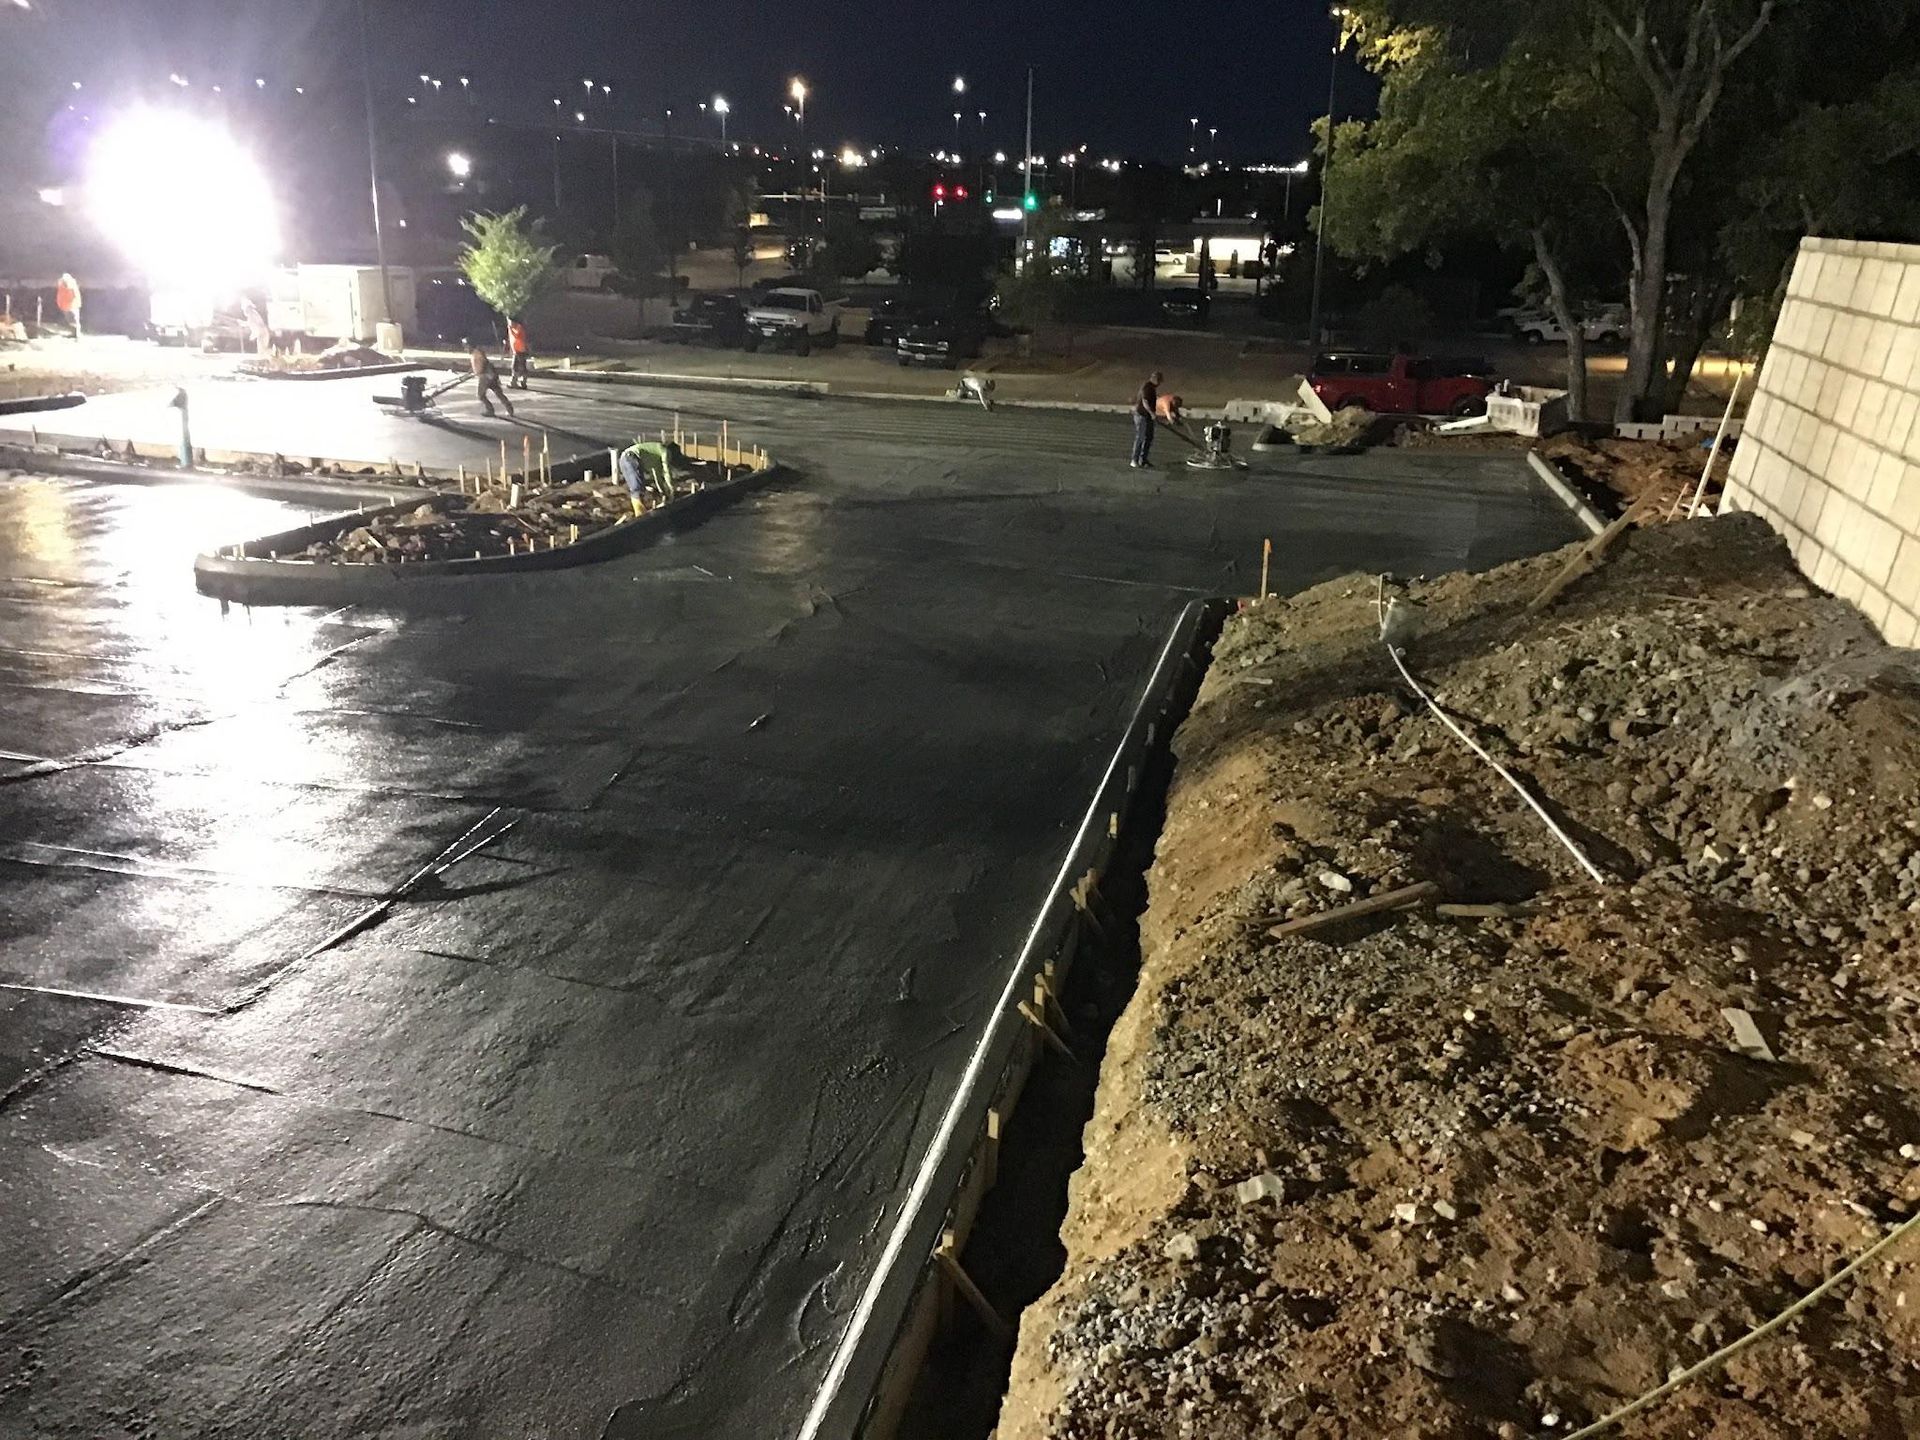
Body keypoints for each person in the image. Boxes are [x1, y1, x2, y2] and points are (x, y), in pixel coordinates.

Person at [470, 344, 514, 419]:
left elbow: (479, 366)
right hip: (492, 375)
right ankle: (509, 408)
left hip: (485, 377)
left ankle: (490, 410)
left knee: (481, 395)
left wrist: (478, 373)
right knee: (499, 393)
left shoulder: (476, 353)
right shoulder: (479, 352)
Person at [1131, 370, 1163, 469]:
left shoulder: (1152, 388)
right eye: (1160, 381)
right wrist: (1152, 413)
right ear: (1155, 379)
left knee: (1149, 437)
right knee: (1140, 437)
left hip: (1147, 416)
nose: (1160, 384)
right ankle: (1134, 460)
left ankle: (1143, 460)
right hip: (1141, 415)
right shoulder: (1147, 387)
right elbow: (1145, 402)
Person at [54, 273, 82, 339]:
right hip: (65, 307)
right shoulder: (61, 286)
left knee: (75, 321)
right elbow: (60, 295)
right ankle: (74, 333)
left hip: (72, 306)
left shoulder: (72, 286)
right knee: (70, 321)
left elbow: (75, 296)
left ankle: (77, 334)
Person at [508, 319, 532, 389]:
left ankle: (517, 382)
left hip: (520, 351)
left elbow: (516, 335)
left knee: (516, 367)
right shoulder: (514, 328)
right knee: (519, 367)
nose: (510, 324)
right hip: (517, 351)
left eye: (511, 322)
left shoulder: (519, 327)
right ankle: (520, 382)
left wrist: (510, 329)